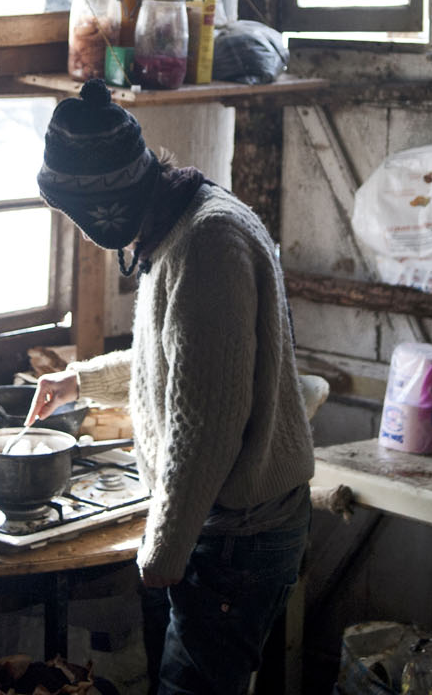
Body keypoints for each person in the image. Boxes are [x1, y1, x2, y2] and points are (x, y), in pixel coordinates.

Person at [27, 79, 315, 695]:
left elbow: (206, 425)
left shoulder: (207, 244)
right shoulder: (179, 221)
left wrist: (162, 553)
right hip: (220, 527)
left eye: (80, 216)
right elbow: (184, 366)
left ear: (107, 203)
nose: (83, 233)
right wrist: (78, 382)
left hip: (237, 536)